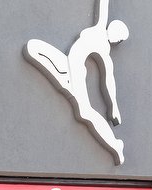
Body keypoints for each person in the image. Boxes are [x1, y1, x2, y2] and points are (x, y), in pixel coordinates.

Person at [25, 0, 129, 164]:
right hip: (69, 66)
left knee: (85, 112)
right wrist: (113, 106)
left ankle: (115, 144)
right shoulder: (100, 28)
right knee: (33, 48)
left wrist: (113, 106)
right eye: (118, 35)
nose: (116, 39)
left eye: (119, 39)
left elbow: (108, 79)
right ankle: (115, 144)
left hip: (74, 73)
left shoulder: (104, 52)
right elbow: (103, 3)